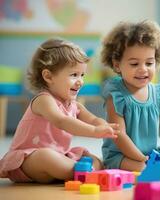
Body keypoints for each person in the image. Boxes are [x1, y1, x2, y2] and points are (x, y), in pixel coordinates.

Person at [0, 38, 119, 183]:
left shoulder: (74, 104)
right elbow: (62, 121)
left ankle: (82, 170)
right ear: (48, 76)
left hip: (59, 156)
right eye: (74, 75)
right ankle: (81, 172)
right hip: (29, 160)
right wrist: (94, 132)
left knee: (91, 157)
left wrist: (103, 126)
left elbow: (93, 119)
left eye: (82, 75)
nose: (80, 81)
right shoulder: (44, 100)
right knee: (46, 156)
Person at [101, 20, 160, 172]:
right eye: (134, 64)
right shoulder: (117, 95)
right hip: (121, 155)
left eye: (149, 63)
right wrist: (142, 158)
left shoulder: (157, 94)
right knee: (148, 170)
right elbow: (118, 135)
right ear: (117, 65)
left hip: (150, 154)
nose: (143, 69)